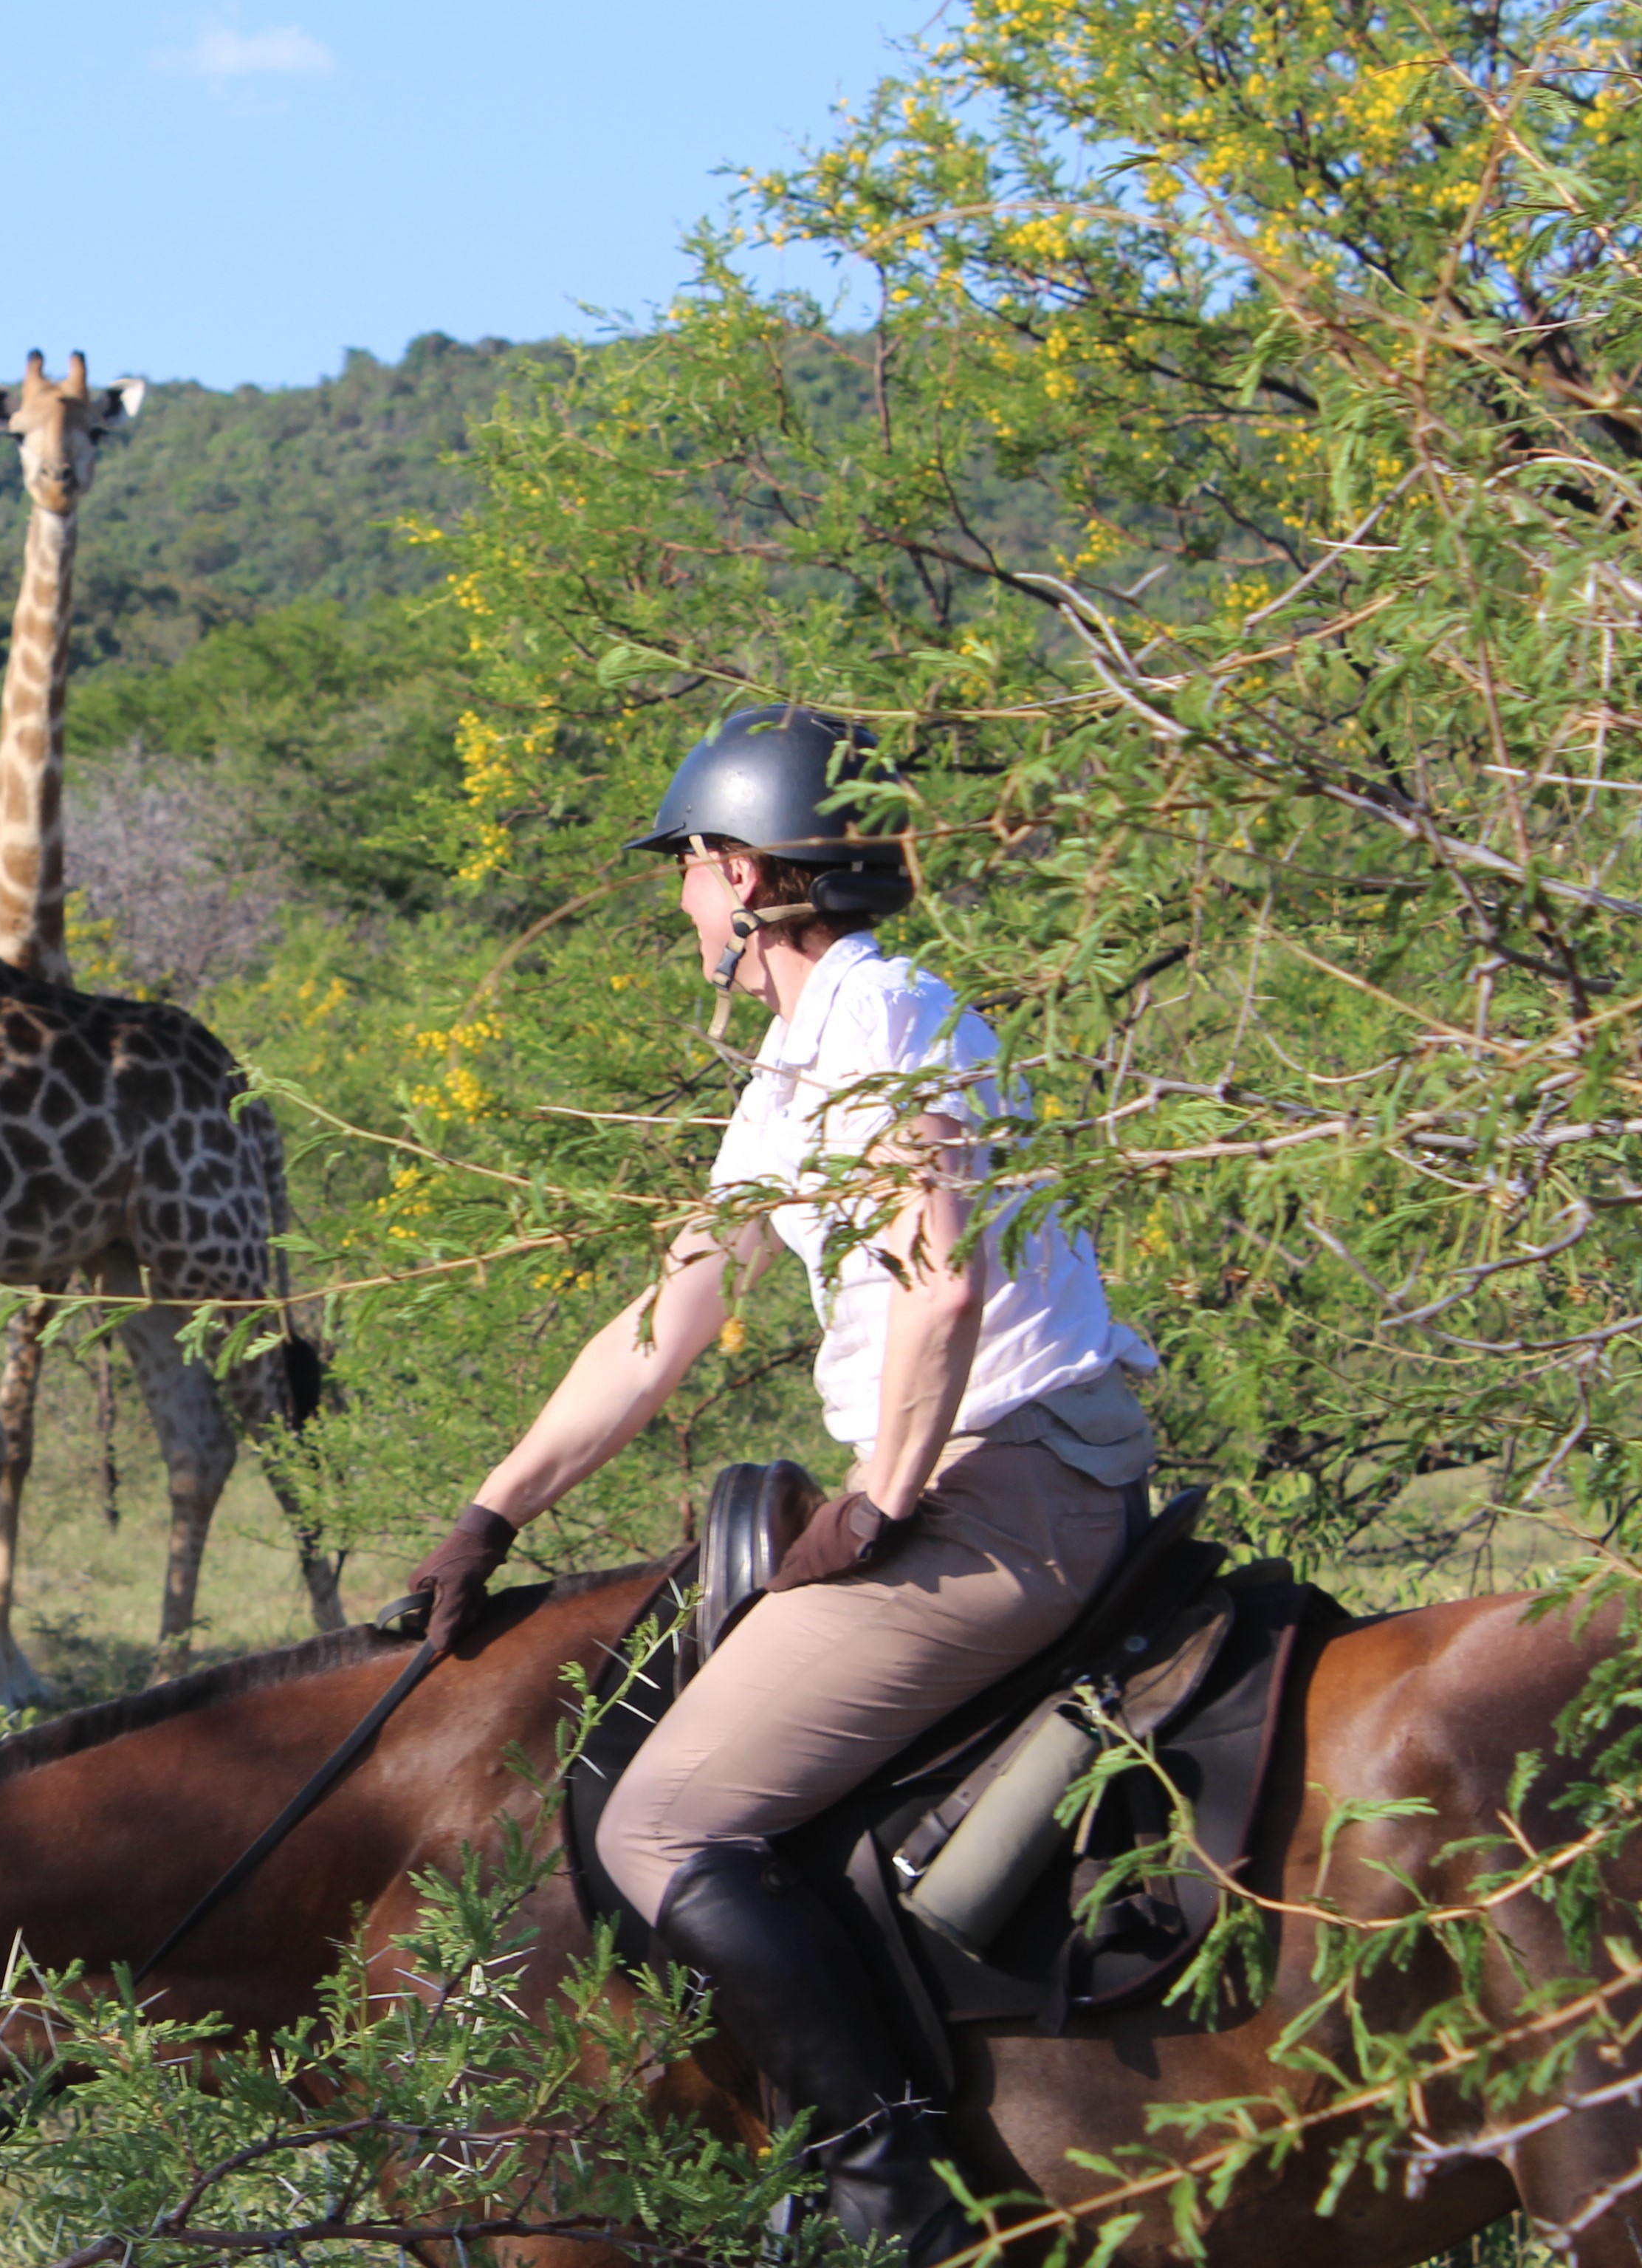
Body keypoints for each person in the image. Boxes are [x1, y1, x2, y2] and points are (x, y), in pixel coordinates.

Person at [402, 705, 1156, 2266]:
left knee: (665, 1828)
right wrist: (494, 1511)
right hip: (972, 1472)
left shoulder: (887, 1019)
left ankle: (899, 2199)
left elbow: (945, 1282)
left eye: (684, 866)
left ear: (742, 873)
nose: (680, 897)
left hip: (1007, 1485)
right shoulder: (798, 1065)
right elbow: (667, 1320)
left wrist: (878, 1497)